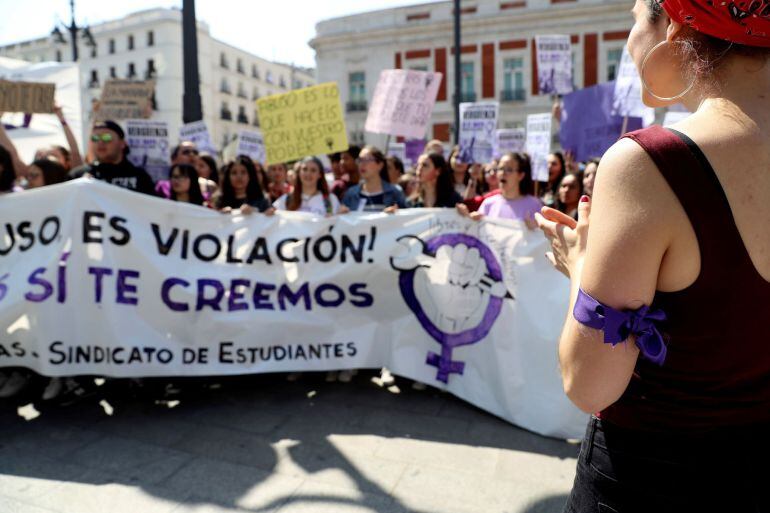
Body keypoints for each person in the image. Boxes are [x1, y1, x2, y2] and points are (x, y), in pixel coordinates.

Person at [536, 1, 770, 511]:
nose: (628, 39)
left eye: (636, 16)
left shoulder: (652, 161)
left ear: (676, 27)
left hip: (650, 481)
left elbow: (589, 384)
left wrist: (579, 264)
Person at [70, 120, 155, 195]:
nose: (100, 142)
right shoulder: (78, 176)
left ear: (122, 143)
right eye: (95, 138)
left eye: (107, 137)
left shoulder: (140, 177)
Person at [458, 152, 541, 227]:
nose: (503, 173)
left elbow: (544, 239)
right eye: (500, 169)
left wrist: (535, 230)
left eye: (509, 169)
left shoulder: (535, 205)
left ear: (521, 175)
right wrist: (470, 219)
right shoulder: (488, 203)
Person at [342, 146, 407, 212]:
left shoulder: (395, 192)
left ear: (380, 165)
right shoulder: (351, 194)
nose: (362, 164)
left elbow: (408, 218)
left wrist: (394, 215)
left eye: (367, 160)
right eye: (360, 160)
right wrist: (342, 213)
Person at [274, 156, 343, 216]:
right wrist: (268, 213)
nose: (308, 174)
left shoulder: (330, 200)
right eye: (305, 169)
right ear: (299, 172)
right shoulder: (286, 200)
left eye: (313, 170)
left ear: (320, 175)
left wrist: (342, 214)